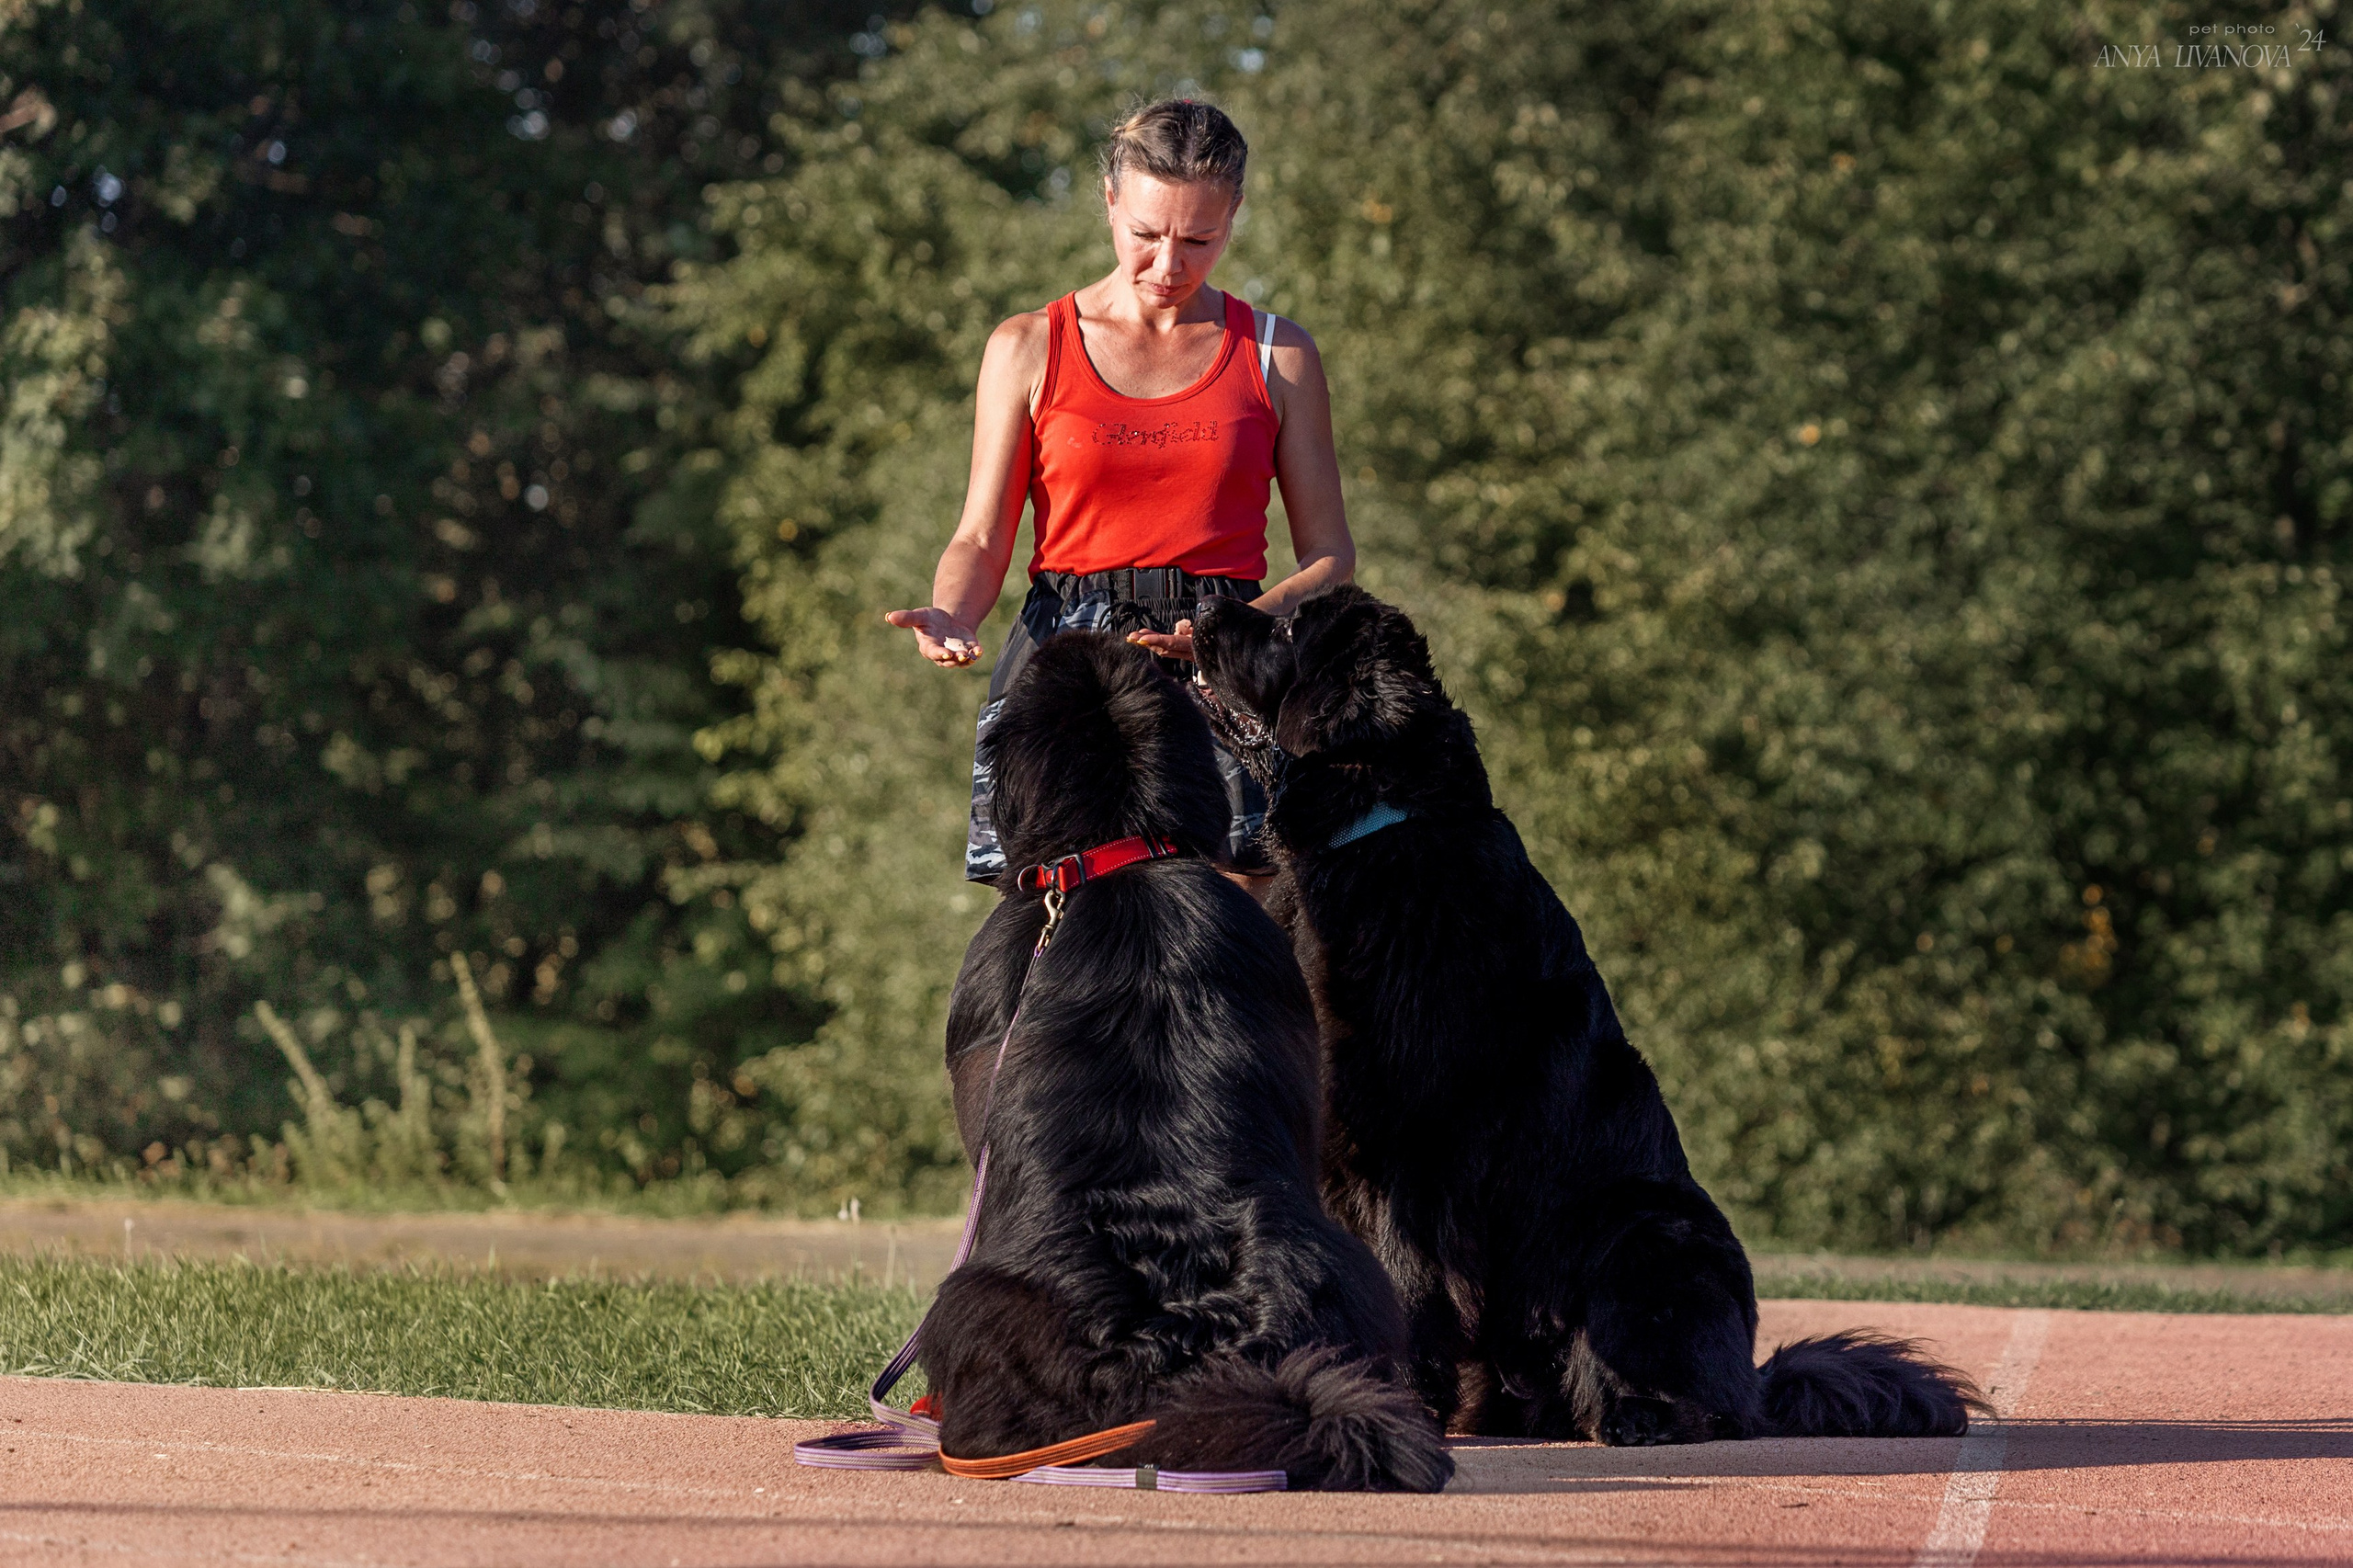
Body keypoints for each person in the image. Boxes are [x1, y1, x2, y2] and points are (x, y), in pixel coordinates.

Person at [883, 98, 1358, 885]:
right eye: (1146, 235)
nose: (1169, 265)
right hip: (1070, 665)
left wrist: (1235, 631)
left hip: (1224, 657)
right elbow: (980, 537)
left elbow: (1331, 556)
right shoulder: (1027, 346)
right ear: (1109, 201)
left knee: (1247, 928)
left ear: (1234, 215)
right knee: (1048, 928)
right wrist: (953, 613)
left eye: (1199, 240)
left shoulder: (1280, 354)